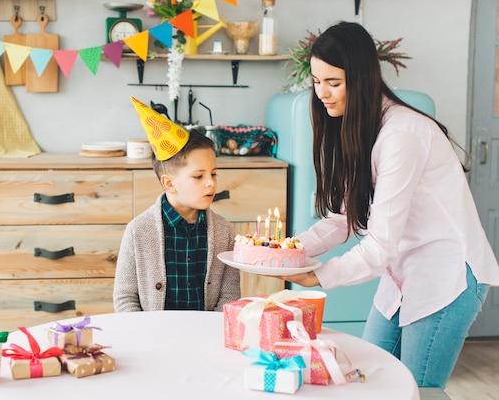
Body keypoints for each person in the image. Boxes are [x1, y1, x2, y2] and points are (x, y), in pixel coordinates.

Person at [279, 21, 499, 388]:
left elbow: (380, 245)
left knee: (416, 392)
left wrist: (317, 276)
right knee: (366, 383)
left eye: (333, 83)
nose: (322, 94)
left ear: (362, 78)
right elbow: (343, 219)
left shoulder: (402, 135)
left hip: (446, 277)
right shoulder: (361, 127)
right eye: (317, 82)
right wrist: (288, 254)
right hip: (401, 277)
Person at [113, 97, 241, 312]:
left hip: (206, 336)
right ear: (169, 183)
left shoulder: (224, 232)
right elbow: (125, 298)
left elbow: (230, 296)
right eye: (198, 176)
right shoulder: (138, 231)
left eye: (213, 173)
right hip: (153, 336)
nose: (211, 182)